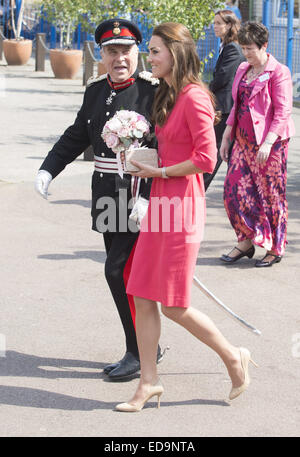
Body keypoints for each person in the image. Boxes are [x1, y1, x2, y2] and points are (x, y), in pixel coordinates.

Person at [114, 22, 257, 412]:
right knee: (141, 293)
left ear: (176, 52)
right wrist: (142, 157)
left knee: (174, 304)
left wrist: (159, 171)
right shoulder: (166, 94)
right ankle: (148, 383)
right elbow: (172, 148)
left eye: (156, 50)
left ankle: (233, 356)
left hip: (182, 207)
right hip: (160, 204)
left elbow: (206, 159)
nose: (150, 58)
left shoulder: (195, 96)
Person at [35, 18, 165, 380]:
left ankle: (138, 351)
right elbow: (78, 135)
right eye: (112, 51)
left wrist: (151, 199)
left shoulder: (153, 91)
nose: (119, 58)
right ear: (101, 54)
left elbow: (166, 149)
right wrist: (49, 169)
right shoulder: (95, 91)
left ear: (136, 52)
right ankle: (147, 343)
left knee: (118, 271)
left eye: (126, 51)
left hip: (139, 193)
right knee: (124, 272)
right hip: (108, 193)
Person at [219, 22, 295, 267]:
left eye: (250, 48)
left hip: (270, 145)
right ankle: (246, 240)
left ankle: (275, 247)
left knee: (272, 196)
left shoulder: (278, 71)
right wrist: (226, 136)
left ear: (264, 45)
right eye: (243, 48)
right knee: (233, 192)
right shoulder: (243, 68)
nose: (246, 53)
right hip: (242, 141)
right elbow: (237, 104)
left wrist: (268, 142)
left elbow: (283, 112)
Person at [204, 9, 244, 190]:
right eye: (214, 22)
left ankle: (201, 187)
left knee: (217, 149)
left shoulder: (232, 48)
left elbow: (222, 78)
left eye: (219, 23)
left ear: (229, 25)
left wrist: (204, 91)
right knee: (219, 148)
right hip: (223, 105)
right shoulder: (225, 46)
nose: (215, 26)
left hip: (225, 106)